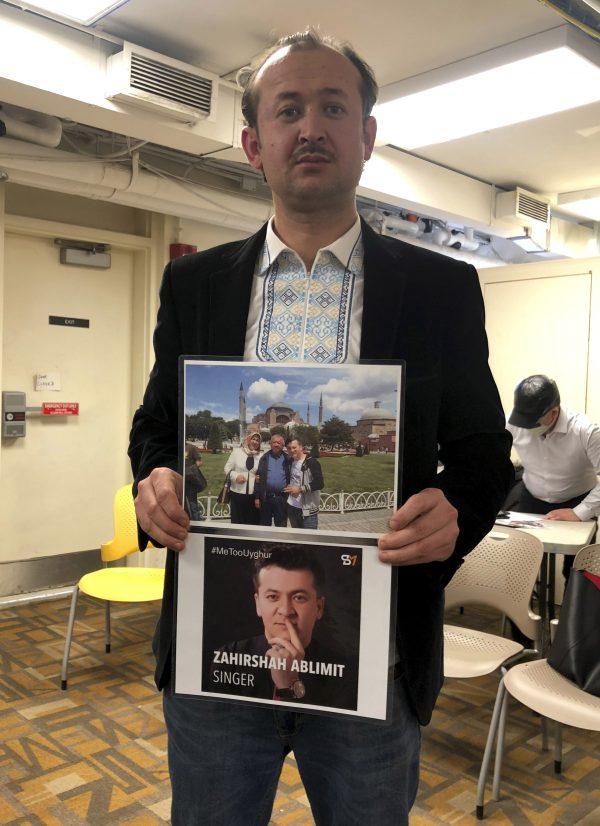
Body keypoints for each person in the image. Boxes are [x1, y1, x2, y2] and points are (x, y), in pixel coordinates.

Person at [128, 29, 512, 826]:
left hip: (376, 659)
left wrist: (456, 515)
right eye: (288, 109)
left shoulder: (442, 289)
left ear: (367, 136)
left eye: (334, 107)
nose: (311, 127)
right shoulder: (191, 284)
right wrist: (154, 477)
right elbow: (156, 428)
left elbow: (483, 456)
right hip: (218, 659)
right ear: (252, 144)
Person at [208, 545, 357, 709]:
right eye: (273, 596)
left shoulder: (346, 672)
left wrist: (289, 686)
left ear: (319, 608)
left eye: (299, 597)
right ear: (258, 604)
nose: (286, 611)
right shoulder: (228, 658)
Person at [507, 374, 600, 581]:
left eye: (532, 423)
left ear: (554, 412)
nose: (526, 428)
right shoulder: (514, 423)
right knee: (518, 562)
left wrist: (579, 512)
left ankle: (571, 613)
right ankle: (519, 612)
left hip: (577, 498)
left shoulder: (585, 431)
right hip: (532, 496)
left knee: (578, 571)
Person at [284, 437, 324, 529]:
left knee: (309, 540)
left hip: (308, 510)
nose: (292, 450)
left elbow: (320, 483)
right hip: (292, 506)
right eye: (289, 448)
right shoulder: (290, 461)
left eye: (294, 447)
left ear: (301, 447)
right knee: (297, 538)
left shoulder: (312, 462)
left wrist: (300, 489)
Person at [223, 432, 262, 525]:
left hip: (253, 495)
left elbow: (262, 472)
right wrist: (236, 476)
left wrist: (261, 477)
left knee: (252, 522)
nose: (255, 442)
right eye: (253, 439)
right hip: (237, 493)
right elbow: (226, 468)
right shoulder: (237, 452)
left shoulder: (260, 456)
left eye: (257, 440)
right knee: (237, 521)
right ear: (248, 440)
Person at [253, 434, 291, 526]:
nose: (276, 445)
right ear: (270, 444)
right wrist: (257, 497)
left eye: (279, 443)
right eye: (274, 442)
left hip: (281, 498)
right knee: (265, 525)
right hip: (266, 498)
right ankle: (265, 541)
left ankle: (279, 541)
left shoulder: (288, 459)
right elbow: (258, 478)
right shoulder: (264, 458)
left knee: (281, 525)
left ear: (283, 445)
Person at [183, 443, 206, 521]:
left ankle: (196, 520)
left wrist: (189, 470)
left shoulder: (191, 447)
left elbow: (199, 462)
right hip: (175, 478)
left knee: (192, 502)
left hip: (189, 479)